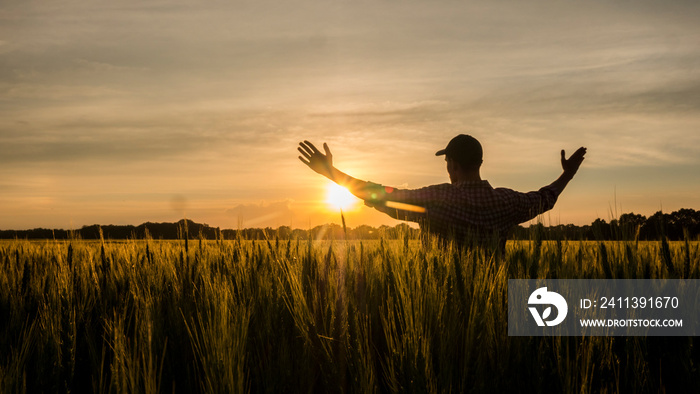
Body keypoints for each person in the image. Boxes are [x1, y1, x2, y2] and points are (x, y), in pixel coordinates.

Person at [298, 134, 586, 254]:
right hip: (493, 309)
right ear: (480, 164)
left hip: (443, 318)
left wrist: (331, 174)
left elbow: (381, 195)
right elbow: (544, 198)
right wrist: (568, 174)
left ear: (453, 165)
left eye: (447, 162)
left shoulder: (439, 200)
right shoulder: (507, 201)